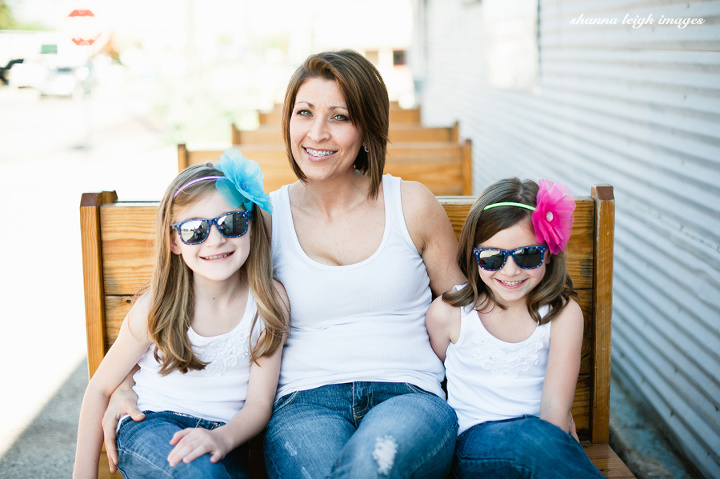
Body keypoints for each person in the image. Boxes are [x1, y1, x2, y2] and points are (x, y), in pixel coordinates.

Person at [102, 49, 464, 478]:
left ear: (368, 129)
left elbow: (466, 311)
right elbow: (181, 296)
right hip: (304, 405)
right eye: (304, 113)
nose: (317, 133)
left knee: (372, 465)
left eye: (340, 117)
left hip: (409, 396)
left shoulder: (412, 204)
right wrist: (122, 385)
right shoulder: (262, 219)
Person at [73, 150, 289, 479]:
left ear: (250, 225)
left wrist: (222, 437)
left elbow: (259, 405)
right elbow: (99, 389)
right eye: (194, 231)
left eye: (231, 223)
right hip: (150, 425)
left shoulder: (269, 302)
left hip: (224, 438)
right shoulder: (157, 306)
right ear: (175, 241)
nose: (216, 240)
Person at [425, 177, 605, 478]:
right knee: (531, 441)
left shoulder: (562, 315)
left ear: (548, 252)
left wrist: (554, 444)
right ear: (474, 255)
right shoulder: (450, 315)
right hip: (472, 447)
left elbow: (554, 411)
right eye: (492, 258)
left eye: (528, 255)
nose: (510, 271)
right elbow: (433, 382)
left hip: (539, 442)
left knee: (535, 440)